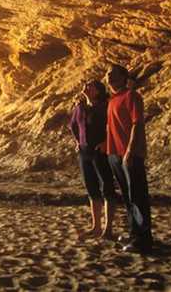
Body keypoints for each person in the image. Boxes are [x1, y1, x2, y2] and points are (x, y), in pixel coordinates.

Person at [105, 64, 154, 253]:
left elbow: (137, 124)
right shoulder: (112, 100)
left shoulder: (132, 96)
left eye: (112, 74)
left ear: (124, 77)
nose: (108, 77)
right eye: (107, 74)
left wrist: (130, 151)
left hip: (128, 154)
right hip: (114, 154)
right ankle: (134, 233)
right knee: (127, 196)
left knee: (137, 196)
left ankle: (143, 240)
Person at [68, 79, 116, 240]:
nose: (86, 87)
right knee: (92, 189)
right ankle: (96, 227)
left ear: (98, 91)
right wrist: (77, 142)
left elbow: (113, 125)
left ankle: (108, 229)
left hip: (100, 152)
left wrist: (106, 141)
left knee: (107, 188)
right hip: (84, 152)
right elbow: (73, 125)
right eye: (86, 85)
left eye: (91, 86)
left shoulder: (105, 106)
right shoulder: (80, 108)